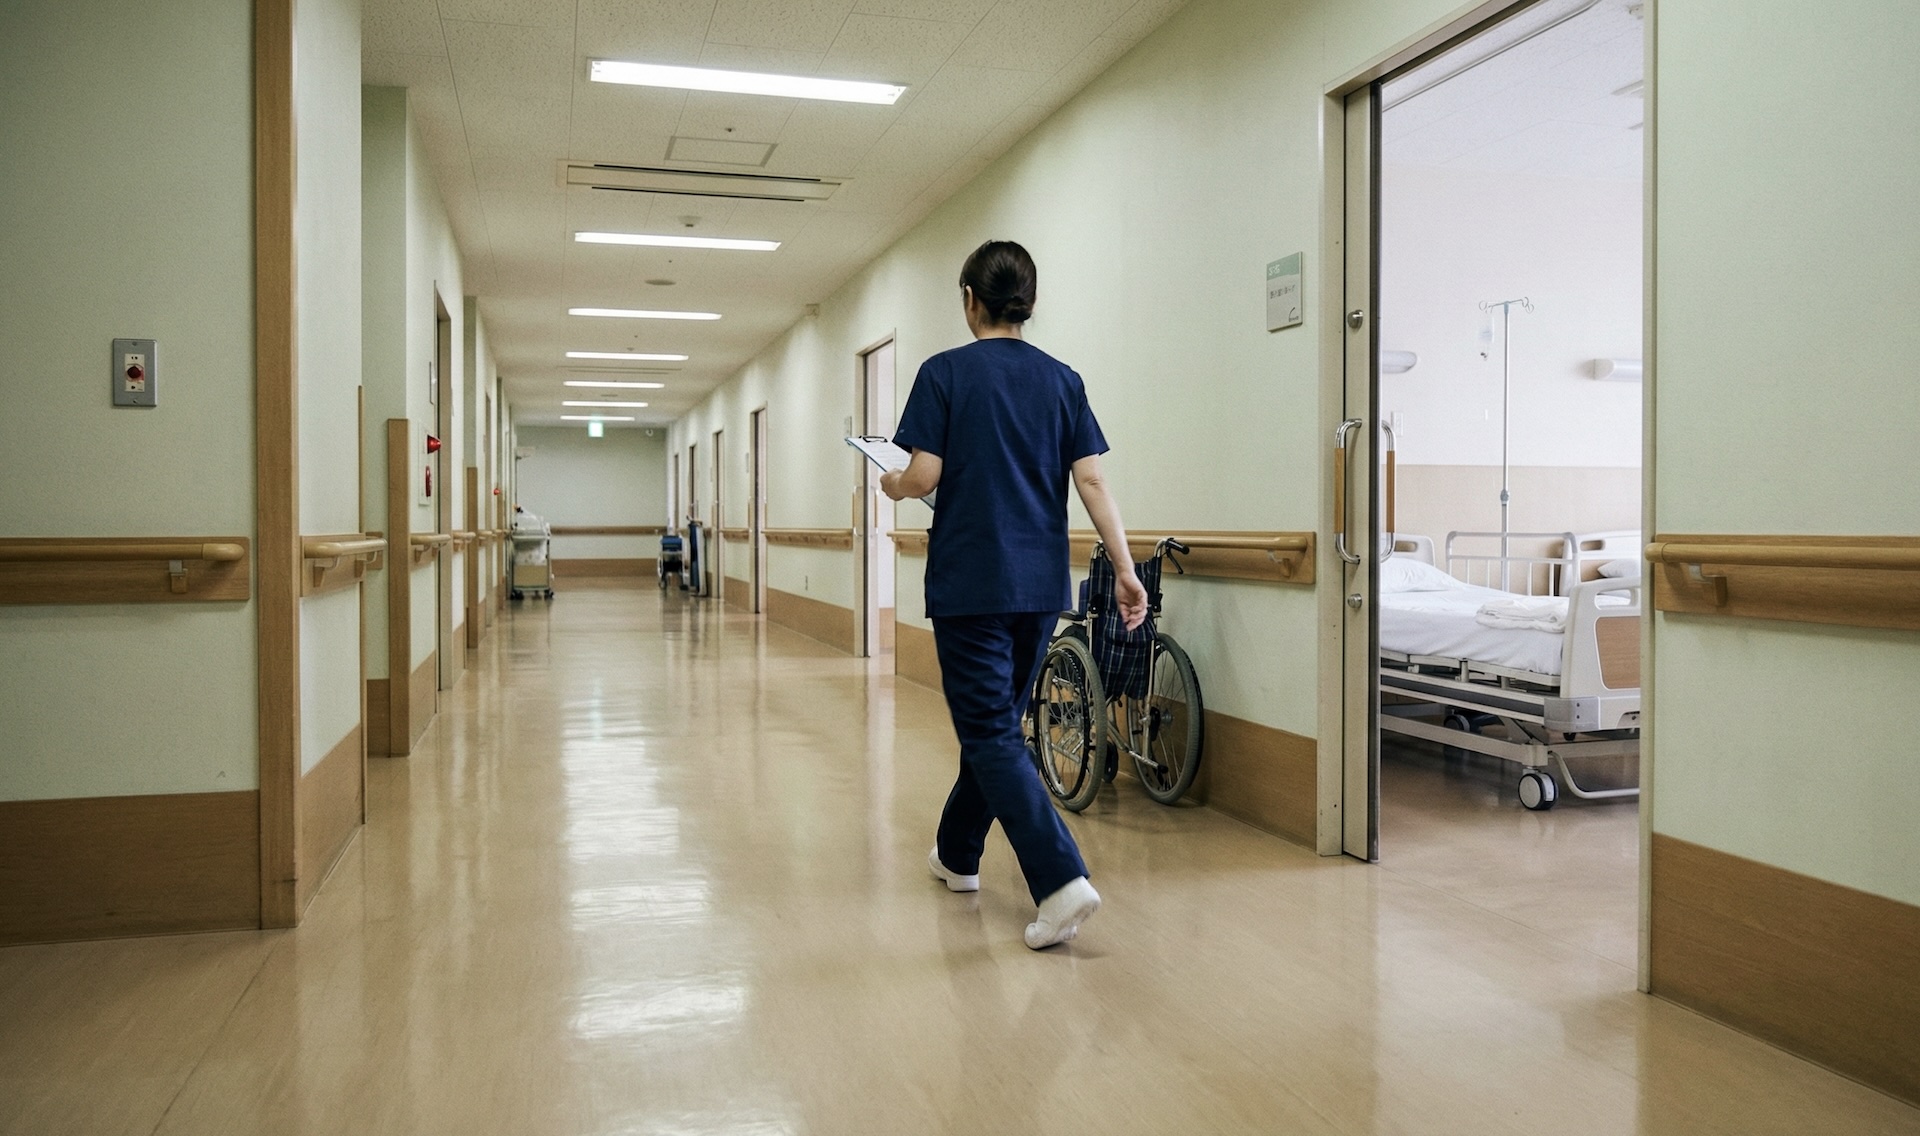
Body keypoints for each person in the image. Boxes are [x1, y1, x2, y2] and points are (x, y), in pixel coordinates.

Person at [882, 239, 1148, 950]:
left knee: (990, 731)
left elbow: (925, 474)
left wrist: (892, 481)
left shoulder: (944, 373)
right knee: (996, 725)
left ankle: (1060, 883)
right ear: (1028, 303)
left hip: (971, 582)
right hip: (1038, 585)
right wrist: (1124, 568)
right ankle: (957, 854)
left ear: (970, 299)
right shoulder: (1062, 380)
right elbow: (1092, 482)